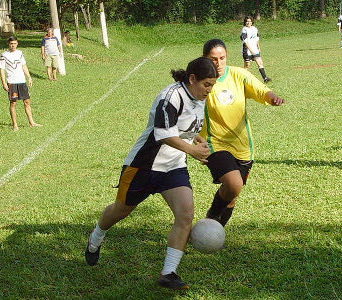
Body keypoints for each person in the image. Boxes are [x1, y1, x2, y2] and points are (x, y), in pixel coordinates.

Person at [84, 57, 219, 290]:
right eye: (207, 84)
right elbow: (164, 134)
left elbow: (185, 129)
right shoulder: (171, 97)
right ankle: (95, 238)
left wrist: (197, 139)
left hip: (173, 167)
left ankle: (169, 273)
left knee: (185, 215)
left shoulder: (199, 97)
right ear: (192, 78)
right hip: (144, 165)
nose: (210, 90)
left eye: (212, 85)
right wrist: (193, 151)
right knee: (120, 210)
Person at [200, 39, 284, 228]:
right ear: (205, 59)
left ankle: (215, 231)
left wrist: (272, 98)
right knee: (234, 184)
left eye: (222, 58)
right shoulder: (200, 81)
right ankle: (211, 217)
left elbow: (261, 90)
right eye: (213, 59)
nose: (218, 63)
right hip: (215, 143)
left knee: (232, 195)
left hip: (243, 146)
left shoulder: (239, 75)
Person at [0, 36, 42, 132]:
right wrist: (4, 83)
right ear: (8, 44)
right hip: (12, 82)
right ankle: (15, 124)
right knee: (13, 103)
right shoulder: (4, 55)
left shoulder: (20, 53)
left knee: (27, 102)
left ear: (17, 43)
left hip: (22, 81)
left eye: (14, 43)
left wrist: (29, 77)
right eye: (11, 43)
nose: (13, 45)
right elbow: (2, 70)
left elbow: (24, 66)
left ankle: (31, 122)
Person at [240, 16, 272, 83]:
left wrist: (258, 47)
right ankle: (241, 79)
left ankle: (265, 78)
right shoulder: (244, 30)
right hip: (247, 50)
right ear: (245, 22)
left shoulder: (254, 29)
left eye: (250, 21)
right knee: (247, 65)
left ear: (252, 22)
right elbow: (245, 41)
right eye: (247, 21)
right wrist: (250, 50)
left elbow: (257, 39)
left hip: (255, 49)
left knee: (260, 62)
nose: (248, 23)